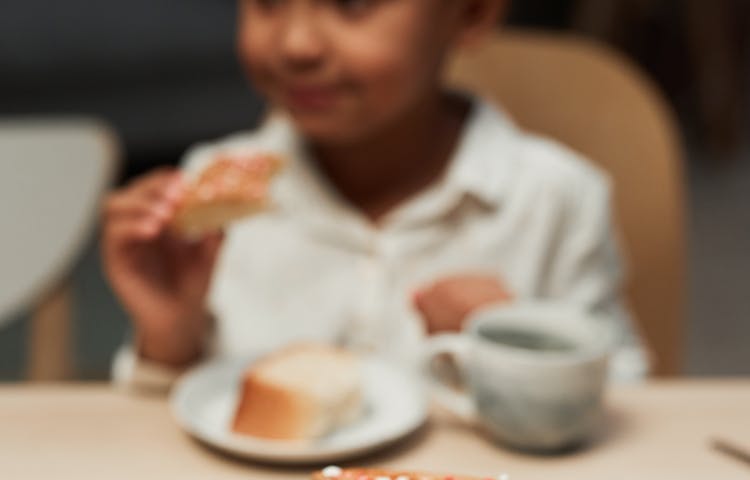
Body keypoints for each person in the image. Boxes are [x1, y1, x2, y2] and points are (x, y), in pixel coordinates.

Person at [103, 0, 648, 393]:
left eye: (352, 5)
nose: (297, 44)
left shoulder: (556, 198)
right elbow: (168, 443)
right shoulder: (212, 192)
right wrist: (170, 336)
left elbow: (626, 400)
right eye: (266, 3)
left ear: (472, 14)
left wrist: (520, 348)